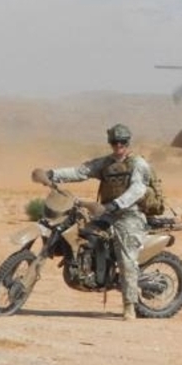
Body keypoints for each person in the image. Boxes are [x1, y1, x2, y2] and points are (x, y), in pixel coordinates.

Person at [38, 124, 151, 321]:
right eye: (115, 142)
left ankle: (129, 305)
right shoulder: (106, 163)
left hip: (129, 214)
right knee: (83, 234)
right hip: (106, 212)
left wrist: (116, 204)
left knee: (126, 259)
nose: (118, 146)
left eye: (122, 142)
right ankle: (90, 271)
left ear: (128, 142)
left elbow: (137, 189)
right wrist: (52, 174)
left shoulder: (138, 164)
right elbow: (81, 171)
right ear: (110, 143)